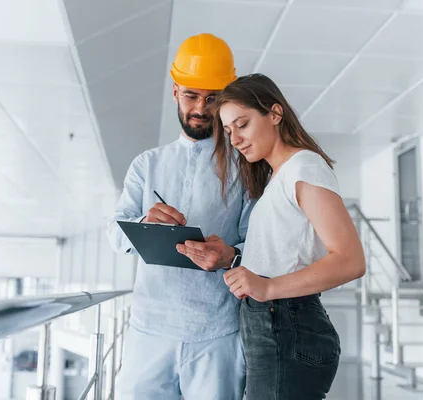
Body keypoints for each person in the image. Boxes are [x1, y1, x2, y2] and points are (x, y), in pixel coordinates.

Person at [106, 33, 252, 400]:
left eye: (213, 98)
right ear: (175, 92)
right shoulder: (146, 165)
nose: (201, 108)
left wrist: (230, 256)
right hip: (148, 331)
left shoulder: (247, 168)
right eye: (191, 95)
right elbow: (114, 236)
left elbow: (261, 249)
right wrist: (144, 224)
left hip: (218, 334)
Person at [212, 73, 366, 400]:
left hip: (286, 327)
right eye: (228, 131)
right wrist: (232, 258)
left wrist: (267, 287)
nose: (235, 139)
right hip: (273, 328)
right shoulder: (278, 178)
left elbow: (351, 261)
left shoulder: (304, 168)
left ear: (275, 114)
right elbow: (283, 256)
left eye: (242, 124)